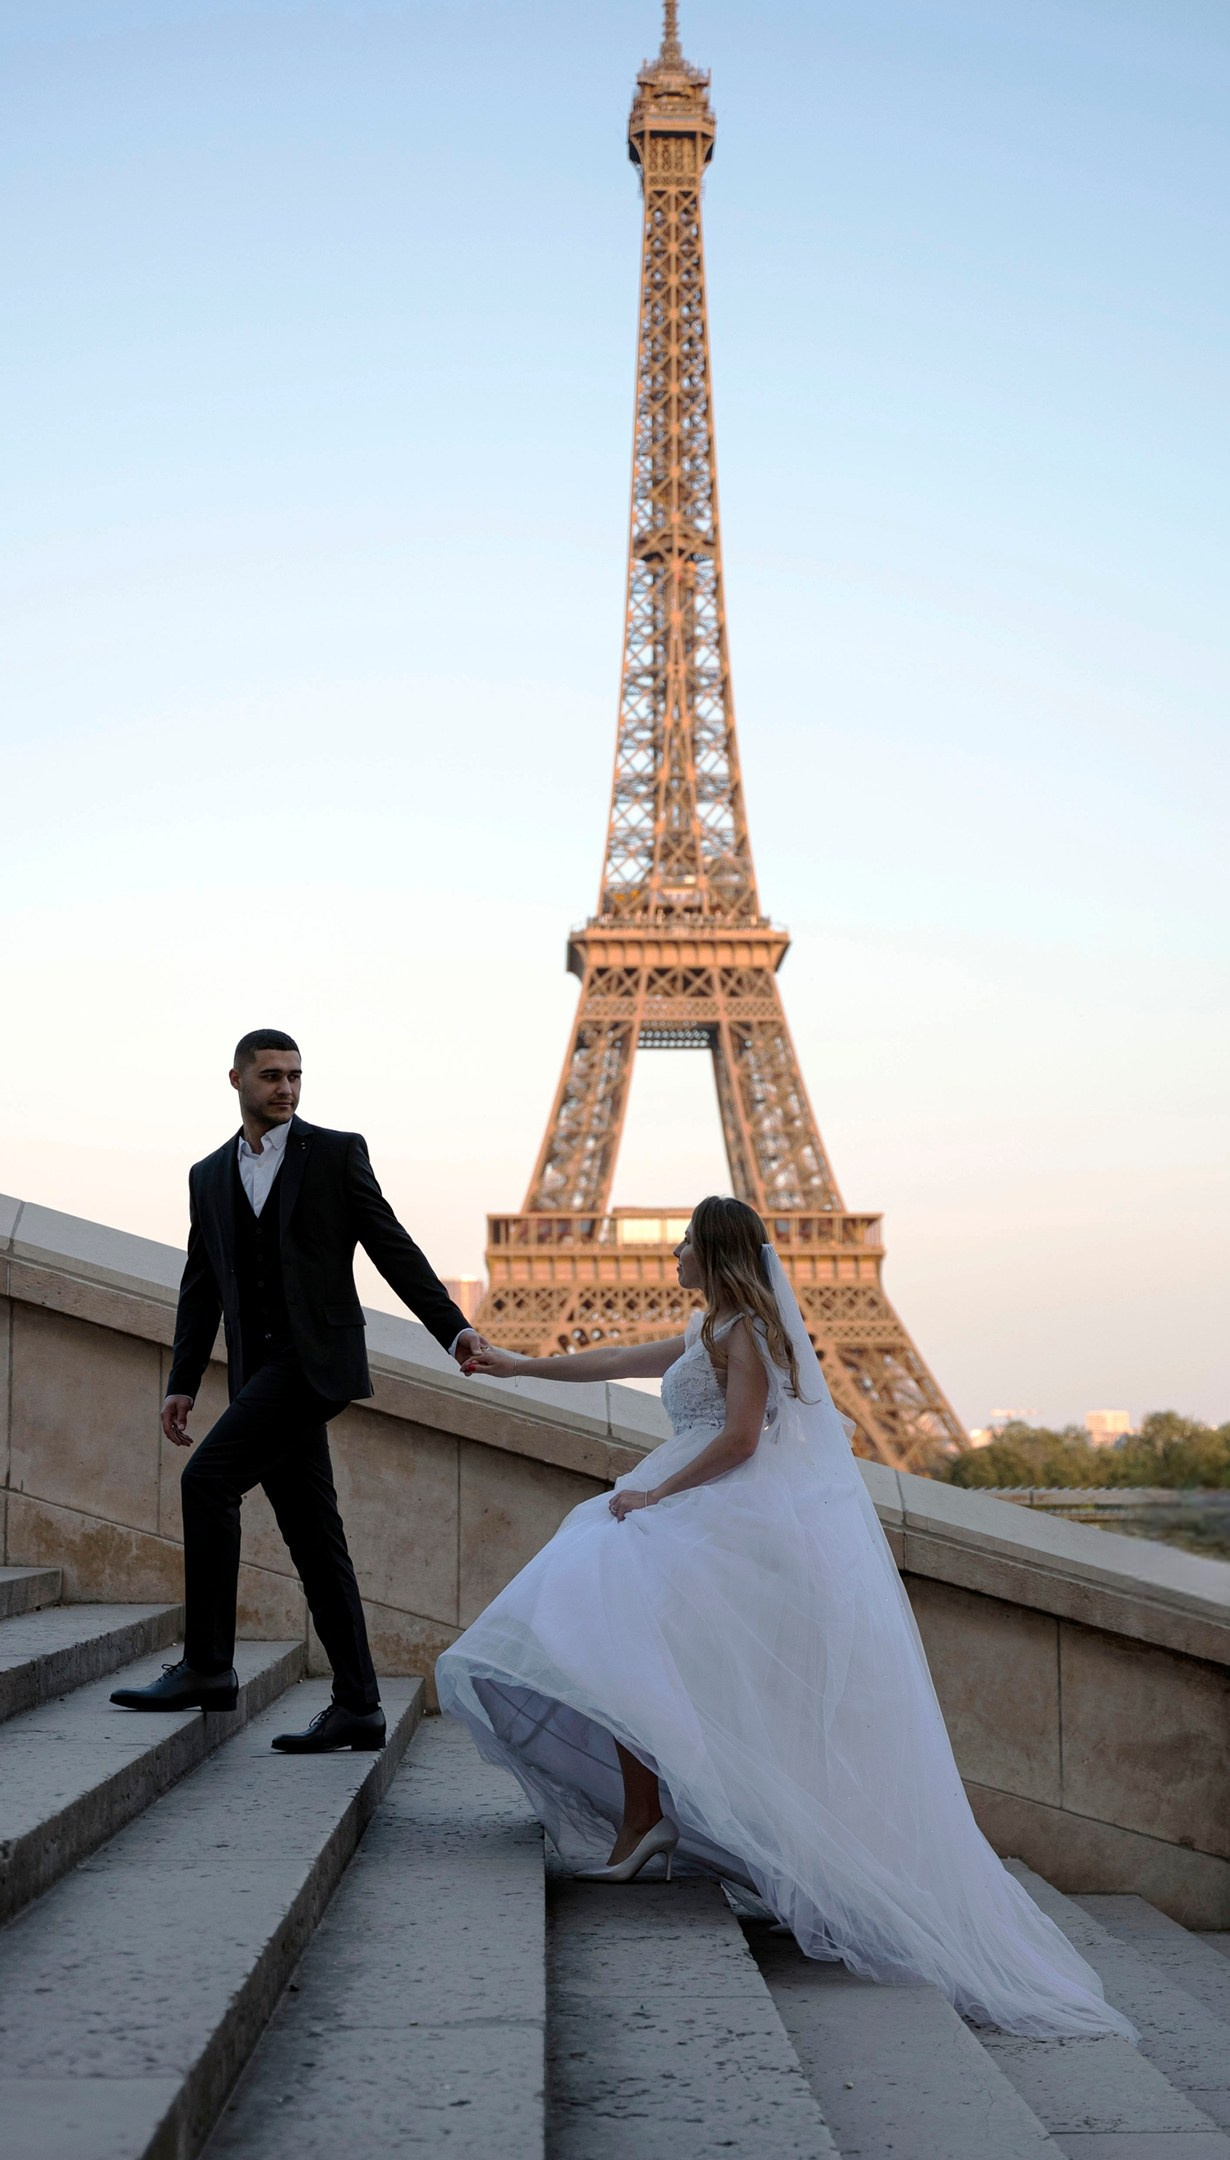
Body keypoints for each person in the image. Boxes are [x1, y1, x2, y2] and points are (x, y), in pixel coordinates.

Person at [438, 1194, 1136, 2040]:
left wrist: (657, 1491)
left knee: (623, 1621)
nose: (675, 1259)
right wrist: (513, 1364)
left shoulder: (746, 1336)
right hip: (695, 1509)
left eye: (686, 1247)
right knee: (620, 1633)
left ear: (716, 1252)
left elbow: (738, 1441)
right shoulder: (709, 1330)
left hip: (718, 1516)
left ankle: (661, 1818)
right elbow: (615, 1354)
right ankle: (647, 1811)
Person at [112, 1030, 486, 1751]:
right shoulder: (208, 1174)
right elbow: (201, 1283)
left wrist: (454, 1331)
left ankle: (207, 1668)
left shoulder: (337, 1152)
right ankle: (359, 1705)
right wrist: (182, 1380)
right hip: (259, 1370)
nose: (286, 1088)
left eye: (296, 1076)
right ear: (236, 1080)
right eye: (272, 1076)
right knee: (316, 1539)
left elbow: (391, 1246)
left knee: (207, 1482)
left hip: (314, 1365)